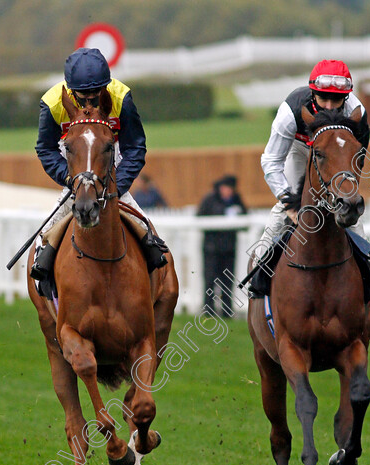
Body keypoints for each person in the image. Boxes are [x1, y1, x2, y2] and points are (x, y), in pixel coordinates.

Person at [30, 48, 167, 281]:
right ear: (70, 90)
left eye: (96, 93)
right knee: (42, 246)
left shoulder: (121, 97)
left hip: (111, 176)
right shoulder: (52, 103)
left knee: (152, 241)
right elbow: (45, 149)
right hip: (75, 178)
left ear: (106, 86)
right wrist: (71, 179)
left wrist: (116, 186)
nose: (90, 100)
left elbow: (135, 147)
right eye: (83, 95)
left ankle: (160, 291)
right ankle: (49, 305)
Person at [255, 59, 370, 264]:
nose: (329, 106)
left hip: (337, 153)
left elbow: (356, 164)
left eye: (336, 100)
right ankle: (258, 268)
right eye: (323, 98)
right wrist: (288, 203)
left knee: (348, 205)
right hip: (299, 149)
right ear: (312, 94)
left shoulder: (357, 114)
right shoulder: (290, 112)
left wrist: (345, 195)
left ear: (346, 97)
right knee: (287, 205)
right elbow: (271, 162)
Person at [197, 175, 247, 317]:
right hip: (211, 248)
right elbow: (200, 217)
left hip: (229, 248)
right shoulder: (209, 200)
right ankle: (209, 310)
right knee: (209, 279)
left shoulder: (236, 200)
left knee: (228, 280)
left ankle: (226, 310)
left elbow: (245, 217)